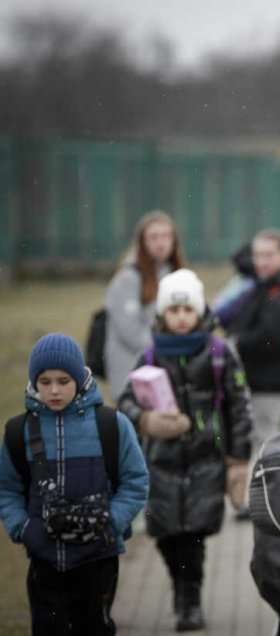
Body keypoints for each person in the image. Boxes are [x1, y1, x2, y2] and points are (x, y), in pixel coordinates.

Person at [118, 269, 253, 631]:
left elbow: (239, 407)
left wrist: (238, 460)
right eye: (173, 311)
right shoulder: (149, 356)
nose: (180, 318)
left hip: (205, 461)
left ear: (199, 312)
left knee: (193, 535)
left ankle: (188, 600)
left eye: (187, 310)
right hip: (160, 462)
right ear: (163, 314)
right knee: (165, 532)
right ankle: (179, 587)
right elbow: (126, 402)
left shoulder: (220, 354)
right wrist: (147, 421)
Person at [0, 334, 148, 635]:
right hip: (44, 560)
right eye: (45, 381)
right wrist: (24, 529)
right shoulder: (19, 432)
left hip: (99, 560)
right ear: (34, 381)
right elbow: (7, 488)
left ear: (80, 378)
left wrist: (111, 523)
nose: (54, 390)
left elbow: (136, 481)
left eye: (64, 380)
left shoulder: (111, 425)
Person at [224, 229, 280, 448]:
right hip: (264, 382)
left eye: (269, 255)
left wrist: (237, 343)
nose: (261, 262)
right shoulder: (267, 286)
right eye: (257, 255)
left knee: (267, 446)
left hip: (273, 385)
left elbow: (271, 338)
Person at [104, 210, 184, 402]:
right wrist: (170, 346)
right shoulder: (128, 278)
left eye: (166, 236)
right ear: (142, 242)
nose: (161, 243)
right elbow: (130, 333)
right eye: (153, 237)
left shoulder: (174, 274)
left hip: (165, 370)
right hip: (132, 373)